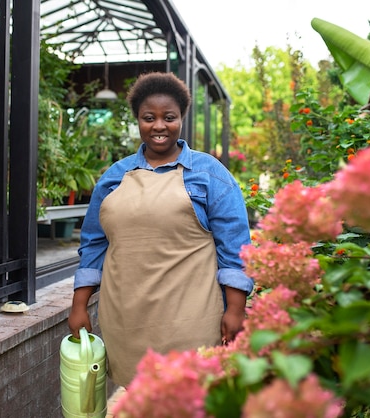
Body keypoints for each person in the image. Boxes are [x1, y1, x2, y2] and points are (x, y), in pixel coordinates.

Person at [67, 71, 253, 388]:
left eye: (169, 117)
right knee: (140, 396)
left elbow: (235, 247)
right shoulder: (114, 177)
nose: (158, 126)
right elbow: (93, 246)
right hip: (126, 318)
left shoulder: (209, 174)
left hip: (191, 317)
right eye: (148, 117)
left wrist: (235, 310)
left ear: (181, 118)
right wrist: (79, 305)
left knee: (188, 396)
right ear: (137, 120)